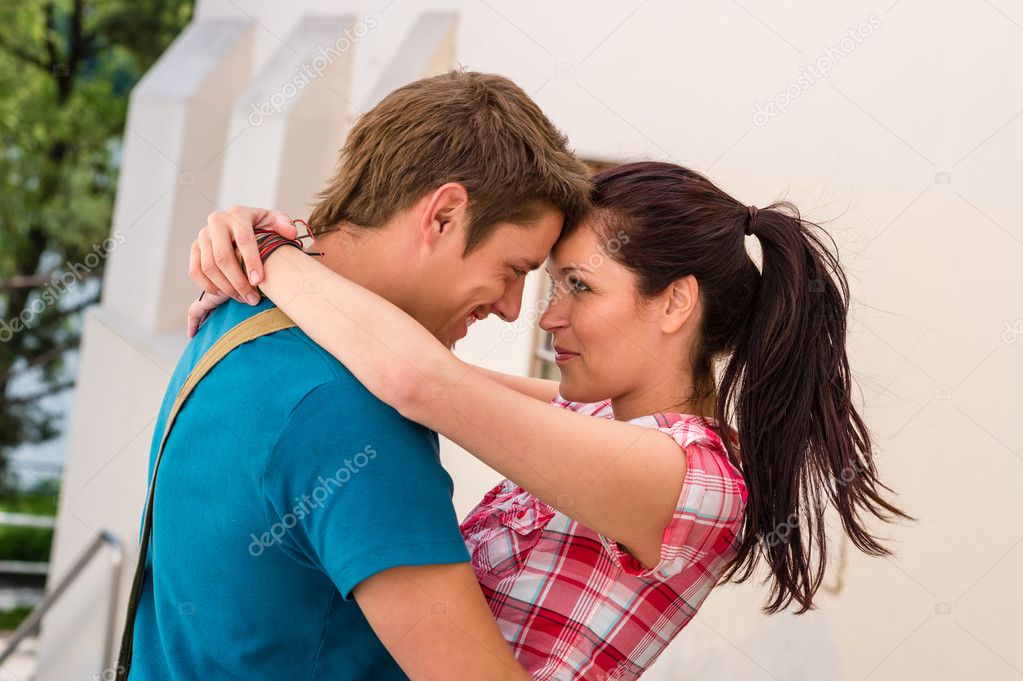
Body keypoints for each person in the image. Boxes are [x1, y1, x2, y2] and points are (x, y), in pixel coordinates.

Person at [188, 161, 913, 679]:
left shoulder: (687, 478)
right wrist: (253, 232)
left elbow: (419, 379)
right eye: (549, 281)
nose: (546, 314)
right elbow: (419, 363)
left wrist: (274, 260)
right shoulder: (601, 422)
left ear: (673, 303)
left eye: (578, 286)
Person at [125, 70, 592, 681]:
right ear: (444, 215)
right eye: (513, 268)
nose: (511, 306)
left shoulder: (241, 301)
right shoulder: (355, 413)